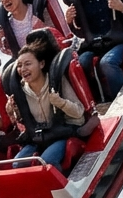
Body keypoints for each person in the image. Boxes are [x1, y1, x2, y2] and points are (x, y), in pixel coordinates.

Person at [7, 34, 97, 170]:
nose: (23, 69)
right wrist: (14, 114)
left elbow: (79, 112)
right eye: (19, 66)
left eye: (28, 64)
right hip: (40, 137)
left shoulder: (56, 81)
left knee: (47, 162)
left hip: (62, 132)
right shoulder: (21, 91)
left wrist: (60, 102)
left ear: (41, 64)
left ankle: (59, 188)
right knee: (17, 164)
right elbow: (28, 123)